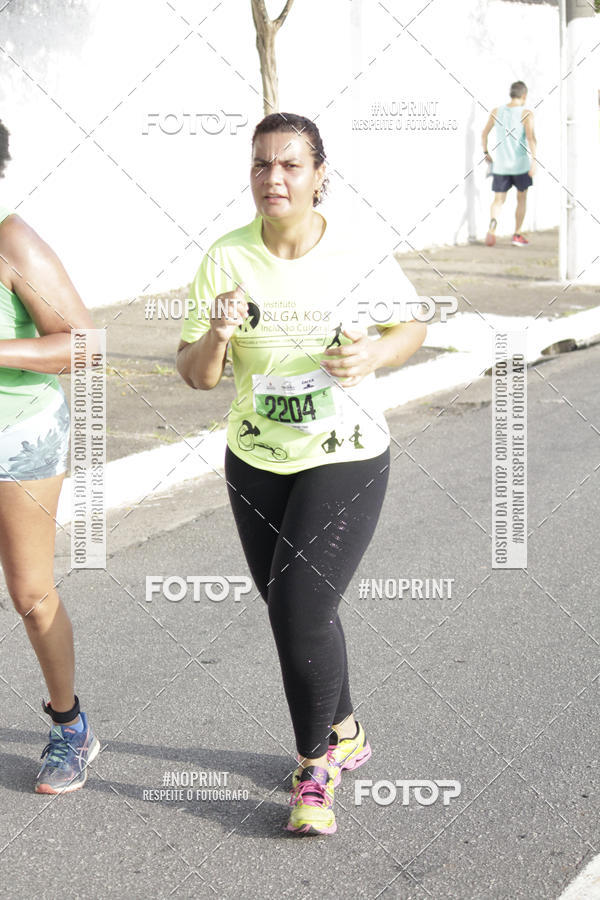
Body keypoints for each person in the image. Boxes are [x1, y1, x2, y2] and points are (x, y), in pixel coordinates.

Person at [176, 112, 426, 835]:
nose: (273, 178)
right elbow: (194, 374)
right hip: (255, 457)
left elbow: (411, 324)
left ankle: (314, 768)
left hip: (345, 450)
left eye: (290, 165)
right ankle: (345, 728)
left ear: (321, 175)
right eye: (261, 164)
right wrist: (219, 334)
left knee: (299, 610)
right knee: (294, 608)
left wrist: (372, 357)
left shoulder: (357, 248)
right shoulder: (225, 257)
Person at [0, 120, 99, 793]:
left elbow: (84, 343)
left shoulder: (12, 242)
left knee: (31, 595)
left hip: (19, 436)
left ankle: (71, 726)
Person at [481, 80, 537, 247]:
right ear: (524, 95)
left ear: (511, 94)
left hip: (501, 166)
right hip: (520, 166)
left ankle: (492, 228)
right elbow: (530, 138)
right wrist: (534, 161)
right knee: (521, 198)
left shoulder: (496, 111)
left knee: (498, 199)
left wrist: (486, 152)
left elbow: (484, 134)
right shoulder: (526, 113)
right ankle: (517, 234)